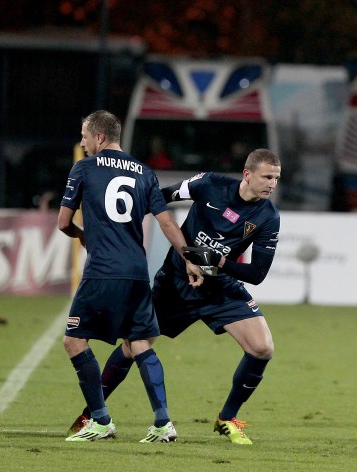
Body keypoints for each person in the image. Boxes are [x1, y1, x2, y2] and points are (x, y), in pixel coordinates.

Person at [67, 148, 281, 445]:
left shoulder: (268, 216)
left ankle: (226, 419)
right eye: (267, 176)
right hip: (176, 285)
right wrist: (118, 227)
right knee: (134, 345)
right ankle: (92, 413)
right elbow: (160, 196)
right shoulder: (209, 184)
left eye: (276, 178)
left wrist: (216, 261)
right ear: (248, 174)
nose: (272, 184)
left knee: (262, 348)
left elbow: (257, 273)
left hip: (220, 288)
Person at [59, 110, 204, 443]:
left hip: (102, 271)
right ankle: (163, 423)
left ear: (99, 137)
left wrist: (81, 233)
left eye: (84, 134)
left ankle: (100, 420)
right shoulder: (145, 173)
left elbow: (63, 223)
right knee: (138, 342)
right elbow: (167, 223)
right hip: (138, 272)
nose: (81, 142)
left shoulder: (83, 168)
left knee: (73, 340)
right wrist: (190, 259)